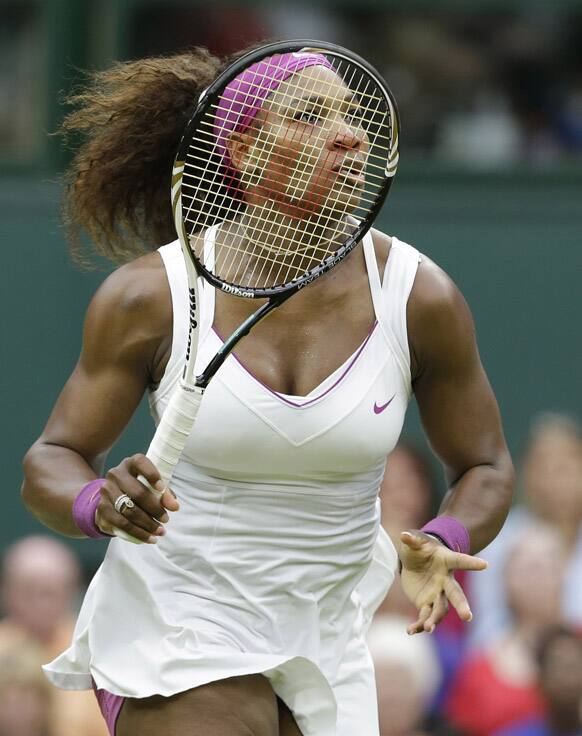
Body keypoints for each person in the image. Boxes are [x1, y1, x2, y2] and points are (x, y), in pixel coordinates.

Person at [21, 43, 514, 736]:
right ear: (245, 154)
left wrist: (445, 534)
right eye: (312, 116)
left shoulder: (419, 297)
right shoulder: (150, 297)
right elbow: (52, 457)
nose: (350, 134)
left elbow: (485, 463)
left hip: (332, 637)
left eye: (351, 115)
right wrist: (96, 501)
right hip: (178, 625)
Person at [445, 524, 567, 736]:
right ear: (505, 579)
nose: (538, 577)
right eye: (528, 567)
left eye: (548, 565)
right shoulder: (478, 668)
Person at [0, 536, 108, 736]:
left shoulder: (95, 650)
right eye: (29, 591)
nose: (41, 603)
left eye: (50, 592)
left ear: (71, 593)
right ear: (7, 591)